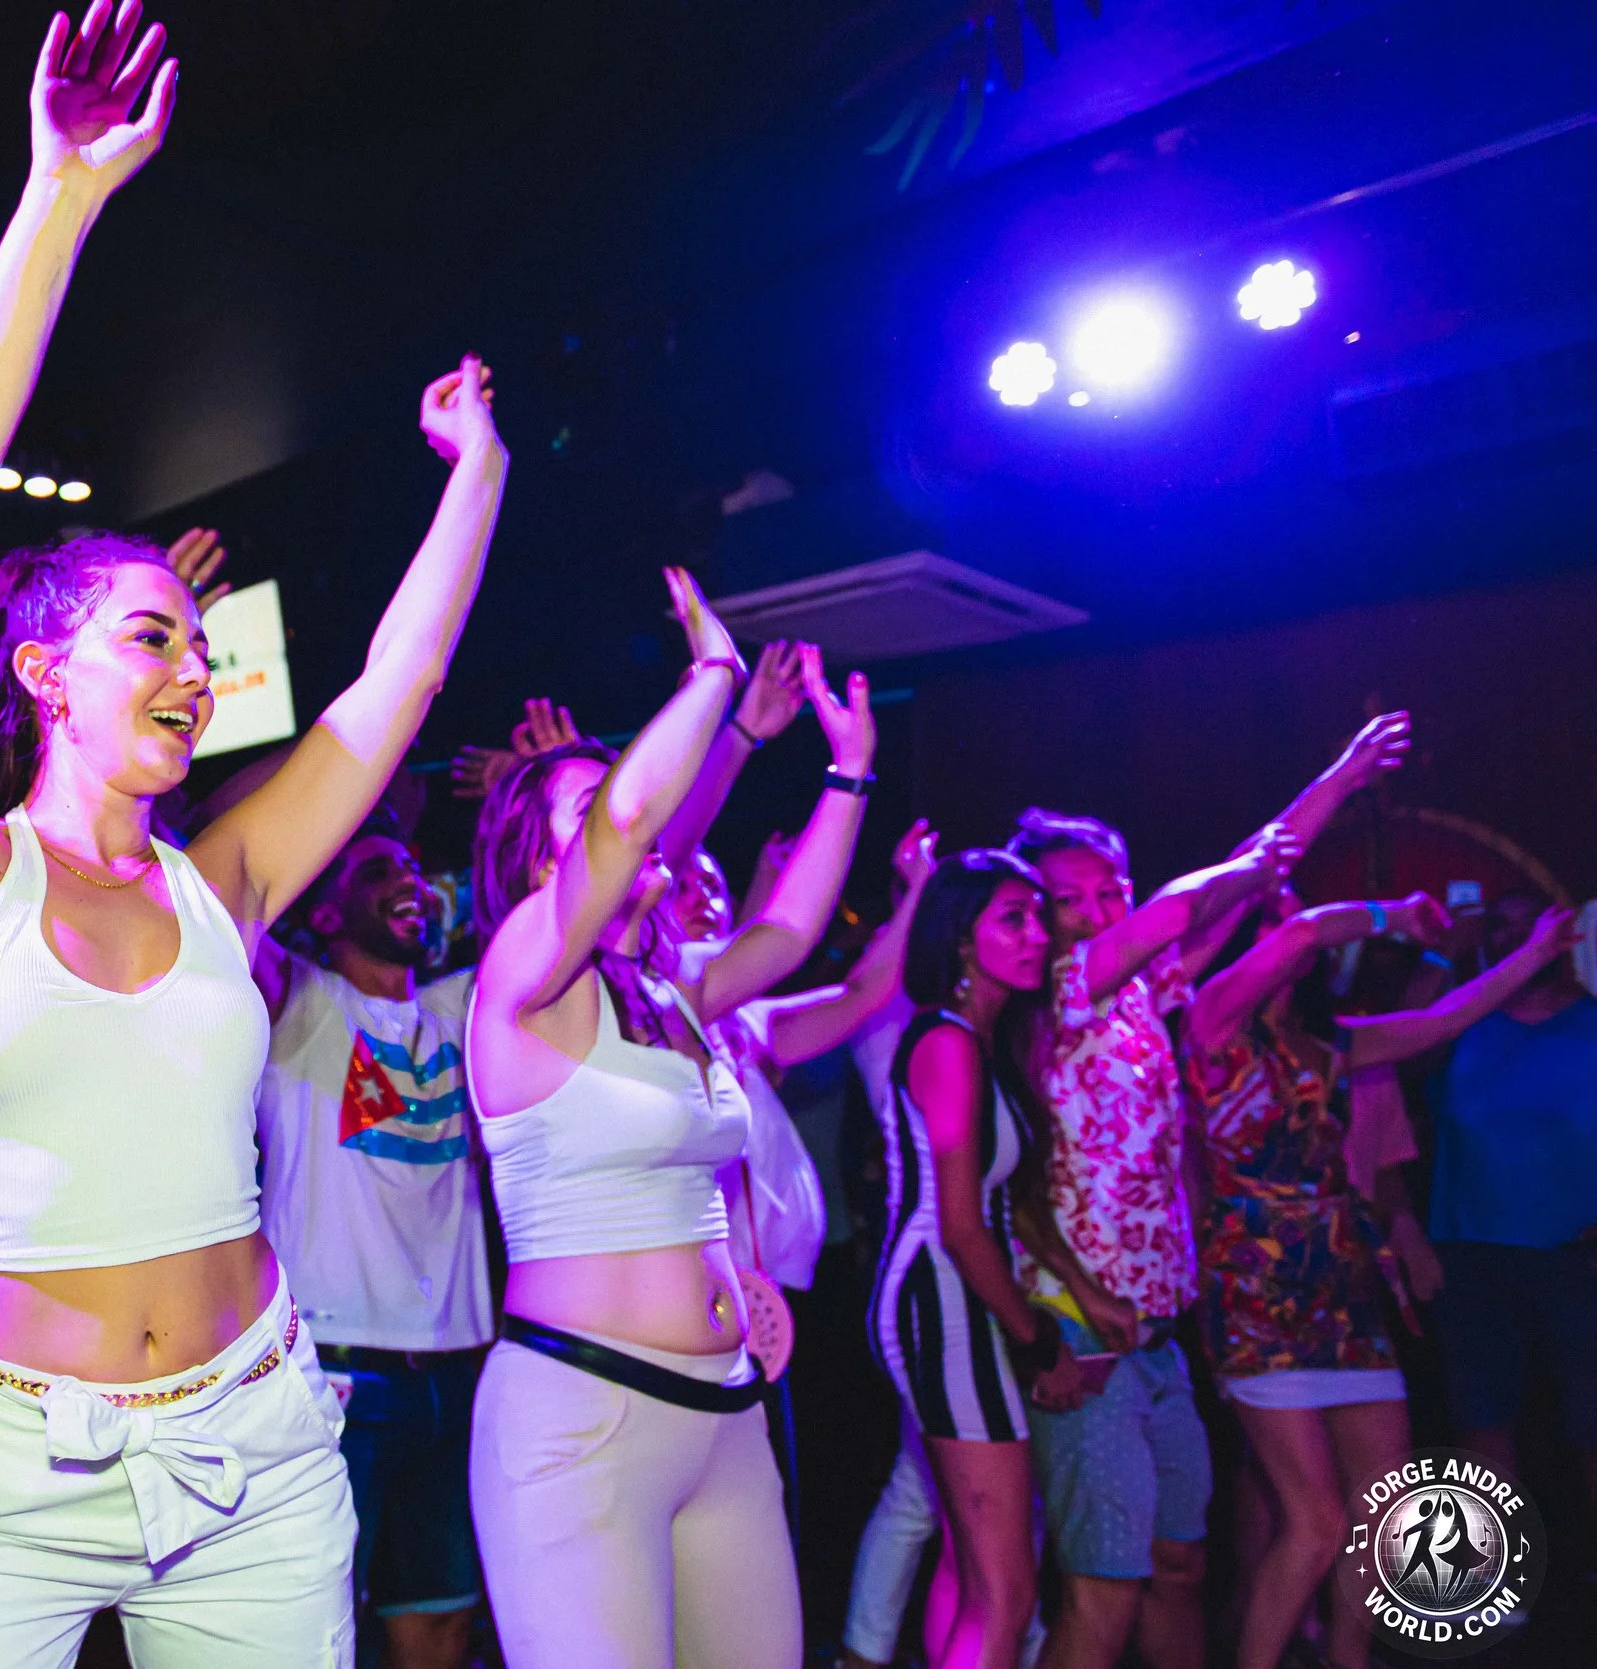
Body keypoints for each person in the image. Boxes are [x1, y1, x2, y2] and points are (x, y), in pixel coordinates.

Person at [0, 8, 509, 1661]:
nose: (194, 669)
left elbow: (396, 687)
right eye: (154, 637)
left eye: (200, 652)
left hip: (258, 1452)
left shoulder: (228, 885)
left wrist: (479, 473)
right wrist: (61, 194)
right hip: (1, 1468)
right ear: (42, 668)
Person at [464, 569, 874, 1669]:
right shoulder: (520, 979)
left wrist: (849, 772)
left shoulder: (670, 991)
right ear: (532, 852)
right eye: (586, 813)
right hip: (581, 1410)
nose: (622, 828)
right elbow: (633, 813)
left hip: (725, 1410)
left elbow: (787, 932)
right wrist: (712, 678)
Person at [1002, 713, 1404, 1669]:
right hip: (1082, 1329)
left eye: (1112, 892)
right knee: (1101, 1587)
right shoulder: (1065, 990)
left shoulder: (1146, 994)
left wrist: (1339, 782)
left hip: (1159, 1329)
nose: (1098, 912)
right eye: (1071, 899)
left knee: (1179, 1565)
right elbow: (1193, 903)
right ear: (1039, 915)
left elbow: (1243, 878)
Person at [1181, 886, 1576, 1669]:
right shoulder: (1210, 1025)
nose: (1293, 937)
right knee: (1314, 1518)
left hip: (1342, 1291)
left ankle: (1349, 1659)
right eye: (1271, 922)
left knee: (1379, 1509)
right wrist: (1394, 915)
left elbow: (1437, 1021)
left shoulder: (1330, 1047)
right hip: (1260, 1297)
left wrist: (1533, 953)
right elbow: (1297, 932)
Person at [251, 814, 488, 1669]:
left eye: (417, 868)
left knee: (441, 1623)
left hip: (455, 1374)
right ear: (324, 910)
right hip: (336, 1375)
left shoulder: (460, 1011)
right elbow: (224, 887)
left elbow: (583, 906)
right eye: (380, 868)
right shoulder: (303, 1007)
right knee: (310, 1637)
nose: (410, 881)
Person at [871, 849, 1092, 1669]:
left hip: (945, 1299)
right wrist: (1036, 1339)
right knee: (1007, 1589)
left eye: (1038, 917)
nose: (1038, 935)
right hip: (942, 1297)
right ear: (960, 939)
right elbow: (963, 1225)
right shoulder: (947, 1042)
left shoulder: (974, 1041)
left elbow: (998, 1211)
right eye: (1013, 918)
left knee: (973, 1572)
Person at [1424, 890, 1597, 1579]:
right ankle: (1487, 1578)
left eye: (1532, 926)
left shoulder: (1590, 1022)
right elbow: (1391, 1048)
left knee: (1590, 1420)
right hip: (1472, 1253)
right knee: (1482, 1417)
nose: (1518, 938)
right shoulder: (1463, 1023)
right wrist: (1449, 950)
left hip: (1575, 1255)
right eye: (1501, 926)